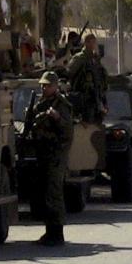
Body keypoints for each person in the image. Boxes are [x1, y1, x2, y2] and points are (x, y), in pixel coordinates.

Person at [23, 71, 74, 245]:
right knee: (44, 193)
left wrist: (57, 118)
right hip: (42, 152)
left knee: (54, 193)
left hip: (56, 154)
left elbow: (68, 131)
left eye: (47, 85)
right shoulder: (40, 103)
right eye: (42, 85)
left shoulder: (61, 105)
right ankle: (49, 231)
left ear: (55, 86)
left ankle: (57, 232)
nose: (44, 88)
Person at [67, 34, 109, 123]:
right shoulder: (80, 58)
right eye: (91, 42)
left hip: (95, 99)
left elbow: (101, 79)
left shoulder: (95, 59)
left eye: (94, 43)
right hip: (84, 100)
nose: (94, 45)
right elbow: (69, 73)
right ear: (86, 43)